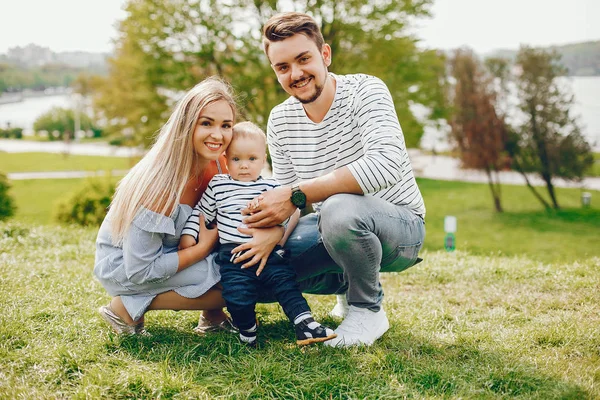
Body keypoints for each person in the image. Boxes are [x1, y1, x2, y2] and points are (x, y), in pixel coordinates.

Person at [237, 12, 427, 347]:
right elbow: (291, 203)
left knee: (339, 208)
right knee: (263, 272)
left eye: (304, 59)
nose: (296, 74)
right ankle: (346, 284)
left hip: (400, 228)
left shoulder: (366, 90)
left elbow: (386, 165)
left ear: (325, 56)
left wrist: (296, 194)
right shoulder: (280, 119)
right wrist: (272, 234)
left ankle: (367, 309)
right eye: (283, 67)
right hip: (334, 227)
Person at [95, 77, 249, 335]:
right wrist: (204, 248)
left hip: (173, 252)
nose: (218, 135)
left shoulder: (221, 165)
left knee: (242, 270)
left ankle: (212, 315)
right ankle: (124, 307)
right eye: (206, 123)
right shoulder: (160, 187)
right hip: (128, 265)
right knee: (232, 284)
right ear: (187, 125)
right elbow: (141, 269)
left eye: (226, 125)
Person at [179, 121, 336, 347]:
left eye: (252, 159)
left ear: (263, 160)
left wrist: (274, 227)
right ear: (225, 160)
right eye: (236, 159)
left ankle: (305, 324)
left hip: (270, 251)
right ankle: (247, 329)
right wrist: (189, 235)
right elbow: (201, 213)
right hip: (233, 254)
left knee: (286, 283)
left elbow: (289, 212)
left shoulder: (272, 188)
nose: (244, 166)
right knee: (237, 295)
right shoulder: (219, 185)